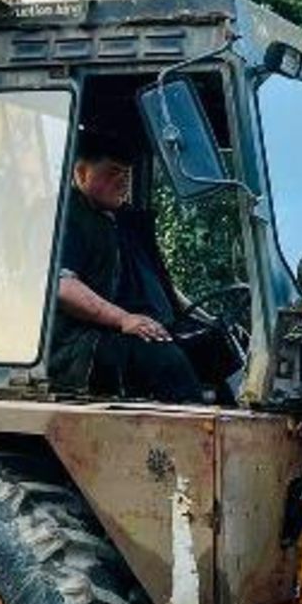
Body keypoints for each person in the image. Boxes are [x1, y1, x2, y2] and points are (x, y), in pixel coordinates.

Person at [47, 130, 204, 402]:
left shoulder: (123, 220)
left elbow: (153, 279)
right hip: (77, 343)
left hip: (116, 329)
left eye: (127, 174)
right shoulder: (66, 217)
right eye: (112, 173)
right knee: (164, 359)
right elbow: (63, 287)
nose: (123, 182)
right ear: (82, 173)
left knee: (212, 346)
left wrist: (203, 318)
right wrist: (124, 319)